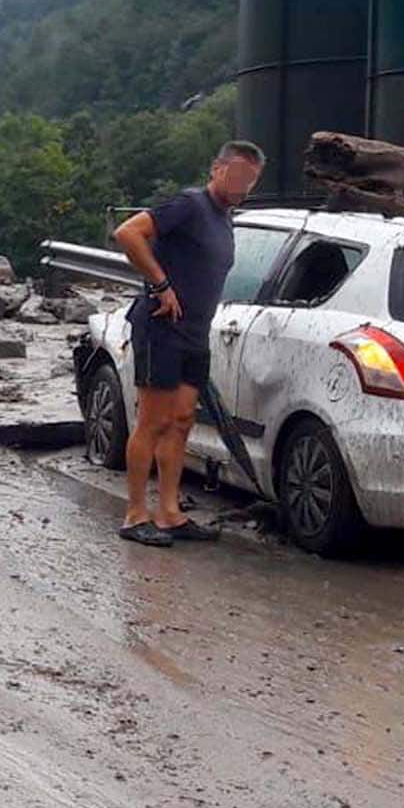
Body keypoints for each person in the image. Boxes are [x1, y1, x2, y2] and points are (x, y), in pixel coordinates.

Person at [108, 140, 265, 546]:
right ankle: (135, 515)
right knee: (153, 421)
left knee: (181, 422)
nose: (242, 187)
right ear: (217, 169)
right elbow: (128, 233)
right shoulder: (190, 205)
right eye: (237, 176)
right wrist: (161, 286)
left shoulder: (226, 218)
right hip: (162, 329)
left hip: (195, 334)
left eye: (250, 181)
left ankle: (169, 513)